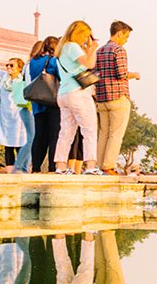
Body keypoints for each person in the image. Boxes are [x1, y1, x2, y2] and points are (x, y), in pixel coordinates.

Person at [53, 21, 102, 174]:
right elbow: (90, 63)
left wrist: (87, 48)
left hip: (64, 93)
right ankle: (91, 166)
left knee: (66, 132)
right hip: (78, 94)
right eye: (87, 35)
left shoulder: (62, 49)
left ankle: (60, 167)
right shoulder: (72, 47)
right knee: (89, 130)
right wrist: (93, 48)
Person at [93, 20, 138, 173]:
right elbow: (121, 73)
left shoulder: (99, 51)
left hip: (102, 97)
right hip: (118, 96)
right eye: (125, 36)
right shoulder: (119, 50)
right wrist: (135, 75)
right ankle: (108, 166)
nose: (126, 40)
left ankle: (99, 165)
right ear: (119, 33)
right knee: (116, 134)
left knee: (104, 133)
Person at [27, 37, 62, 172]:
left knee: (39, 136)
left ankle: (36, 167)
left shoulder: (33, 62)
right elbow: (61, 77)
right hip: (52, 102)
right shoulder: (53, 61)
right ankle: (53, 167)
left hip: (37, 102)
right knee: (54, 135)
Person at [0, 57, 30, 172]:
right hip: (5, 118)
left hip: (19, 118)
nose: (8, 67)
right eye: (7, 65)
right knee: (7, 146)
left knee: (20, 144)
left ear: (19, 68)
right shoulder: (4, 78)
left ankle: (22, 170)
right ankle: (10, 172)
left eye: (11, 65)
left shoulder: (23, 81)